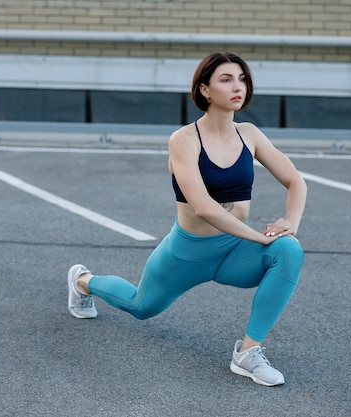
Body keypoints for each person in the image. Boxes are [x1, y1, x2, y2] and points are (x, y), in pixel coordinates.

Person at [67, 52, 307, 387]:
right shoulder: (183, 140)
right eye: (226, 79)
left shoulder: (249, 134)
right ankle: (83, 281)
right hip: (187, 252)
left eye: (242, 79)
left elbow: (296, 181)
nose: (237, 86)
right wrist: (260, 236)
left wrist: (290, 223)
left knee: (290, 250)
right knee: (141, 307)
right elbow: (203, 207)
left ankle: (248, 353)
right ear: (205, 89)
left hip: (234, 253)